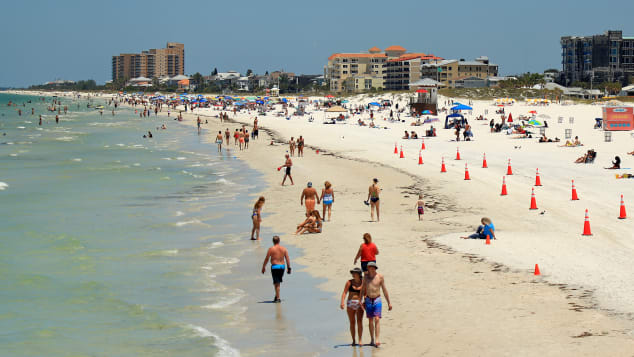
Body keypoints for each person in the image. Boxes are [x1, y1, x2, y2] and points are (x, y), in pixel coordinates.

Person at [360, 262, 392, 347]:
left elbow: (384, 290)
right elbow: (363, 289)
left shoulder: (380, 277)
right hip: (368, 300)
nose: (372, 268)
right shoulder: (365, 277)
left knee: (377, 319)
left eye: (373, 267)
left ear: (375, 268)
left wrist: (389, 302)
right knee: (370, 320)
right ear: (368, 268)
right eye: (370, 267)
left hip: (377, 299)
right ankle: (372, 339)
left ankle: (377, 339)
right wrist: (360, 300)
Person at [261, 236, 291, 303]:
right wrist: (289, 268)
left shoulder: (271, 249)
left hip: (275, 267)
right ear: (279, 241)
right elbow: (287, 259)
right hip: (282, 267)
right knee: (277, 282)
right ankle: (276, 295)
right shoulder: (284, 249)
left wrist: (263, 267)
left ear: (273, 241)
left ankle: (278, 298)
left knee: (276, 283)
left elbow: (267, 259)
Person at [340, 267, 364, 346]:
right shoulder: (349, 282)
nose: (353, 274)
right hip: (350, 303)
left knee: (359, 322)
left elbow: (365, 294)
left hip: (359, 303)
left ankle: (360, 340)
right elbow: (344, 293)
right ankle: (353, 340)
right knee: (352, 322)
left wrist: (365, 304)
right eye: (352, 273)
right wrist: (342, 302)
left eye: (355, 273)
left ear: (359, 274)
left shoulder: (363, 282)